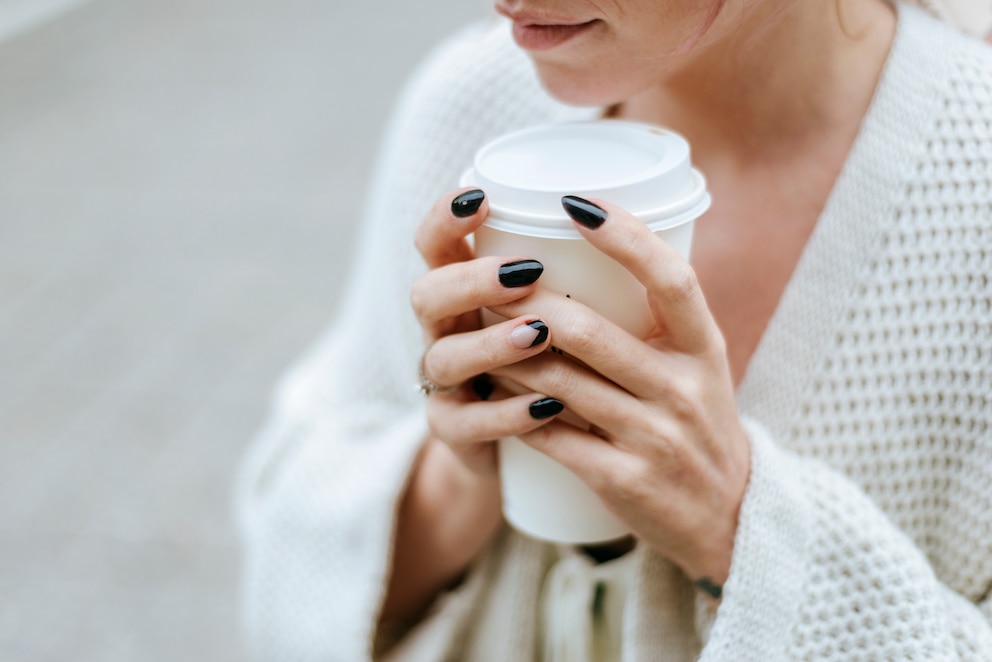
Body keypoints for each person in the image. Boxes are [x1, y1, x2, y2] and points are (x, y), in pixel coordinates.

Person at [237, 0, 992, 659]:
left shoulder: (969, 182)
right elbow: (285, 570)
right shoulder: (477, 106)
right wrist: (460, 473)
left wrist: (739, 531)